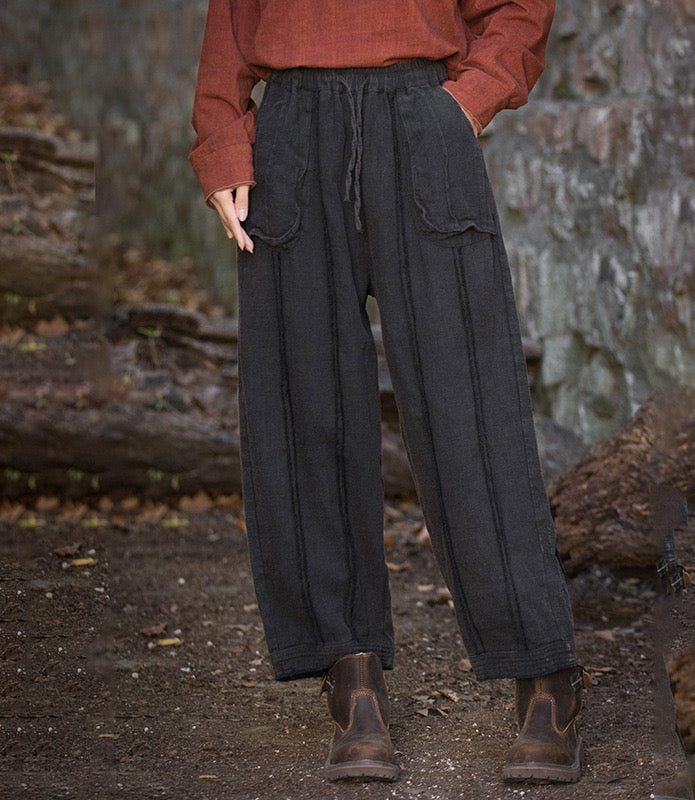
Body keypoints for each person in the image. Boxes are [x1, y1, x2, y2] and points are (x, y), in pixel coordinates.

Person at [190, 0, 584, 784]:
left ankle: (546, 675)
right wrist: (224, 138)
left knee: (470, 403)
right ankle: (352, 677)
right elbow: (233, 16)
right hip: (293, 134)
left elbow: (520, 8)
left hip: (421, 115)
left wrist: (464, 102)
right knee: (306, 404)